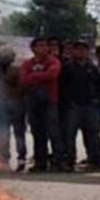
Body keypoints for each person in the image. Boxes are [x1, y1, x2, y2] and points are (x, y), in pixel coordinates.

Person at [58, 41, 100, 171]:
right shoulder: (67, 67)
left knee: (92, 135)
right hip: (73, 106)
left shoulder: (93, 67)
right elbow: (61, 86)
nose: (81, 52)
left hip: (90, 105)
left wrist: (97, 99)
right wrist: (66, 101)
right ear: (73, 51)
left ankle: (95, 160)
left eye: (84, 49)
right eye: (78, 49)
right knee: (69, 135)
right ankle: (69, 161)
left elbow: (99, 85)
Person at [20, 37, 61, 172]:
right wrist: (42, 77)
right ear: (33, 48)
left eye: (45, 45)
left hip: (50, 102)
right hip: (33, 103)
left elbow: (52, 75)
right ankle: (40, 162)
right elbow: (24, 79)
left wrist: (34, 76)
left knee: (53, 132)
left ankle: (58, 161)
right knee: (37, 133)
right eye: (40, 45)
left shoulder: (53, 61)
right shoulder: (27, 63)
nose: (44, 48)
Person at [0, 44, 26, 171]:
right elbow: (21, 87)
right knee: (18, 133)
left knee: (3, 132)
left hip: (2, 102)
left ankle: (4, 160)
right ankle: (21, 158)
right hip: (15, 102)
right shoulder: (16, 70)